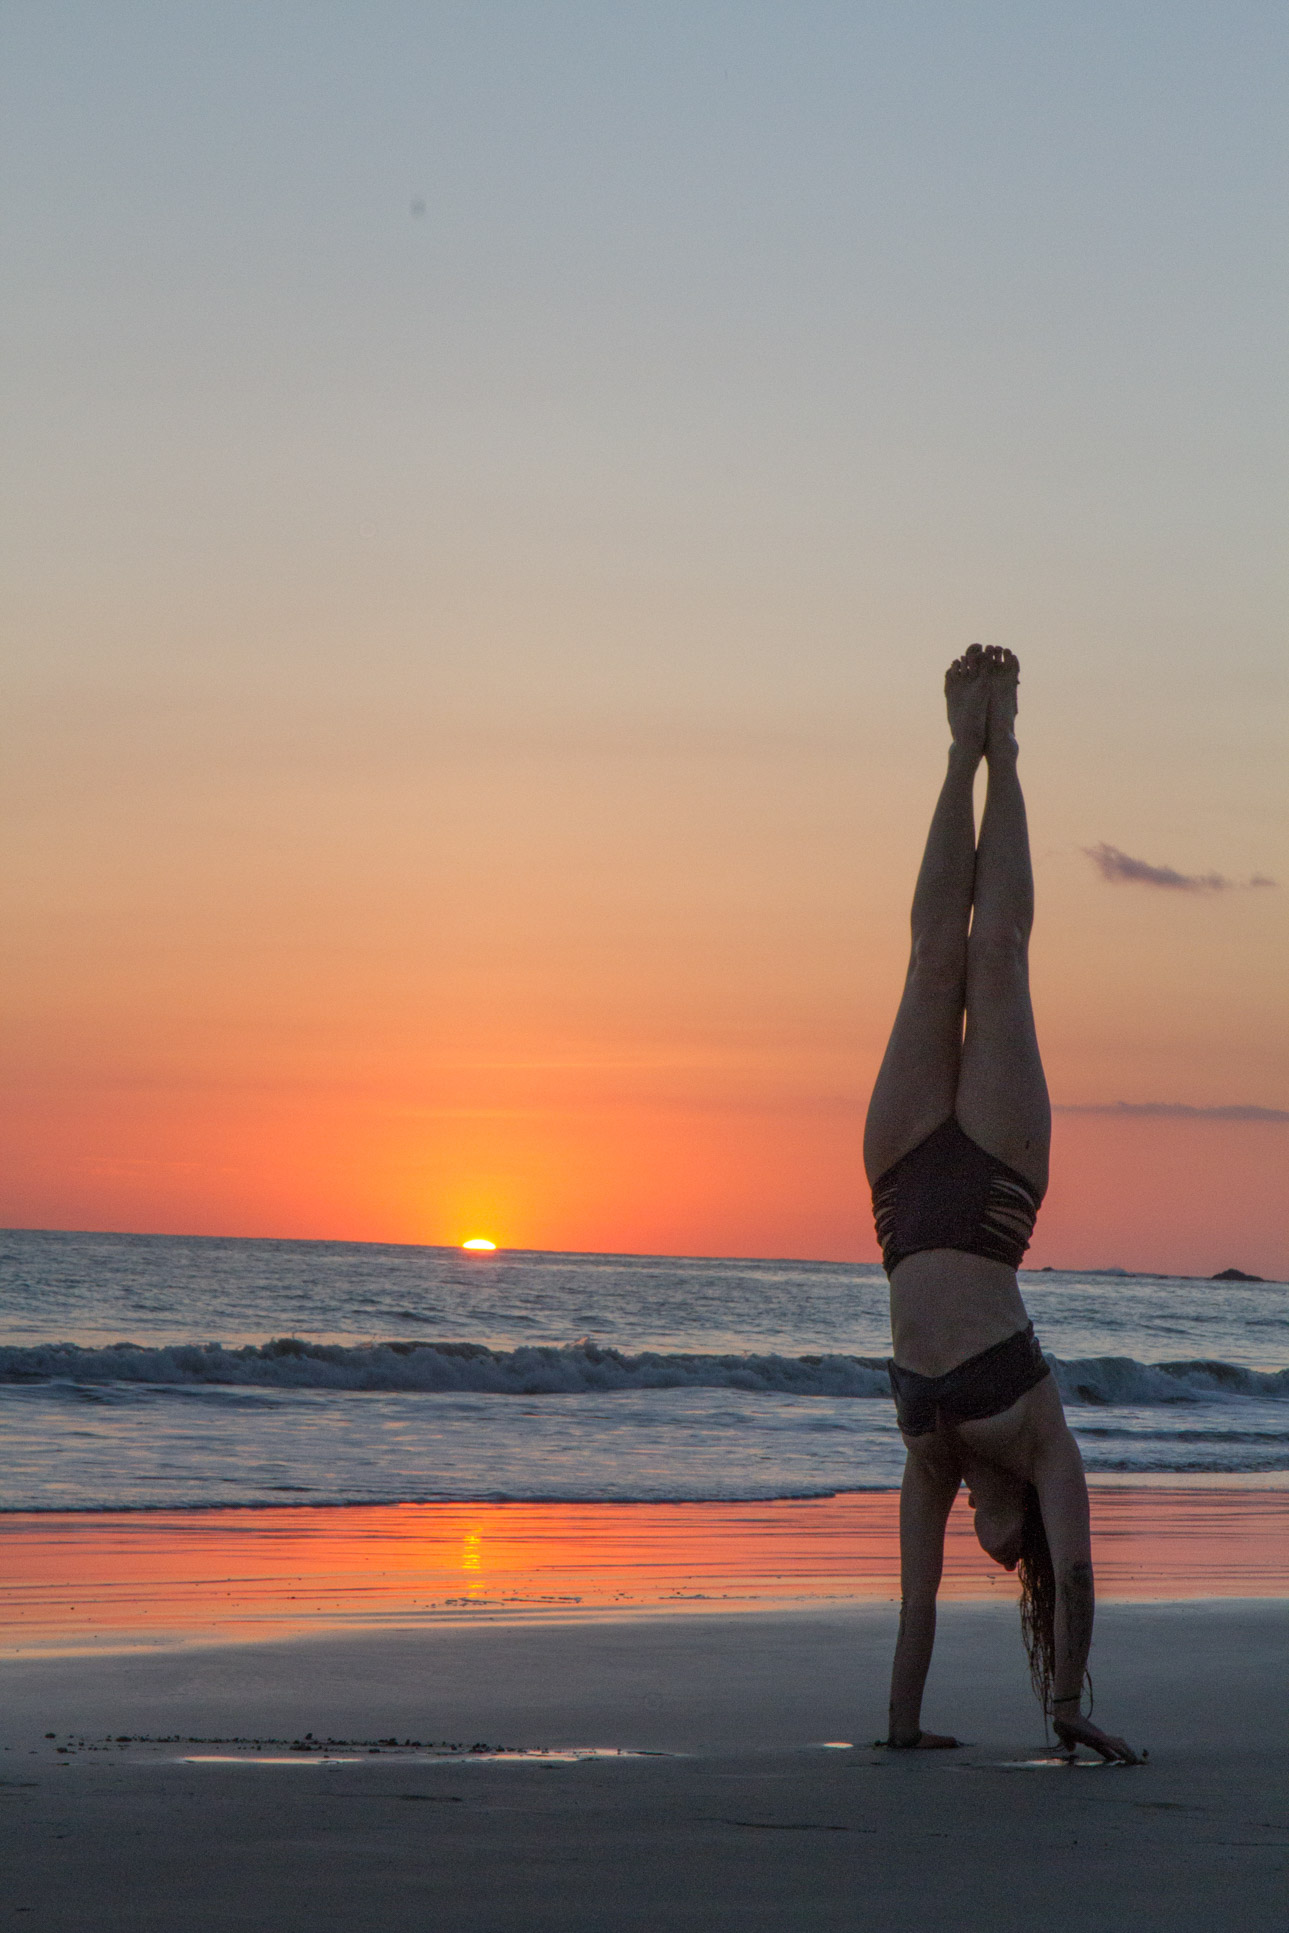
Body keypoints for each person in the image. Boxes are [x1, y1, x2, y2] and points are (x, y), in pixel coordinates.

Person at [864, 644, 1138, 1764]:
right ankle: (993, 744)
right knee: (993, 955)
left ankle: (958, 752)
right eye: (1003, 1546)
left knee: (936, 956)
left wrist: (896, 1727)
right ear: (1017, 1518)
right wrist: (1066, 1700)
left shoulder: (929, 1457)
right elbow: (1072, 1574)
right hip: (986, 1195)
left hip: (895, 1191)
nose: (990, 1548)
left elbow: (912, 1604)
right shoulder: (1043, 1441)